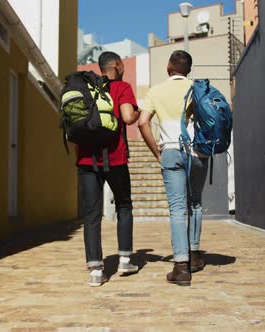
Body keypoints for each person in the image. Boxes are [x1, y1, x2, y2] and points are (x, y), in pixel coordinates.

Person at [138, 50, 208, 285]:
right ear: (188, 69)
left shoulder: (156, 91)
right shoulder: (198, 88)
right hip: (197, 151)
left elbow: (142, 122)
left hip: (170, 150)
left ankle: (181, 266)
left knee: (177, 207)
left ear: (169, 67)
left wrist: (157, 152)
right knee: (195, 202)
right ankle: (195, 255)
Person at [76, 51, 140, 287]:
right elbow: (127, 116)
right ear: (118, 65)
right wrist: (138, 112)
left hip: (86, 159)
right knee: (124, 205)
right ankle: (124, 259)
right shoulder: (122, 87)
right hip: (115, 158)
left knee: (92, 214)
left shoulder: (86, 88)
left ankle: (95, 271)